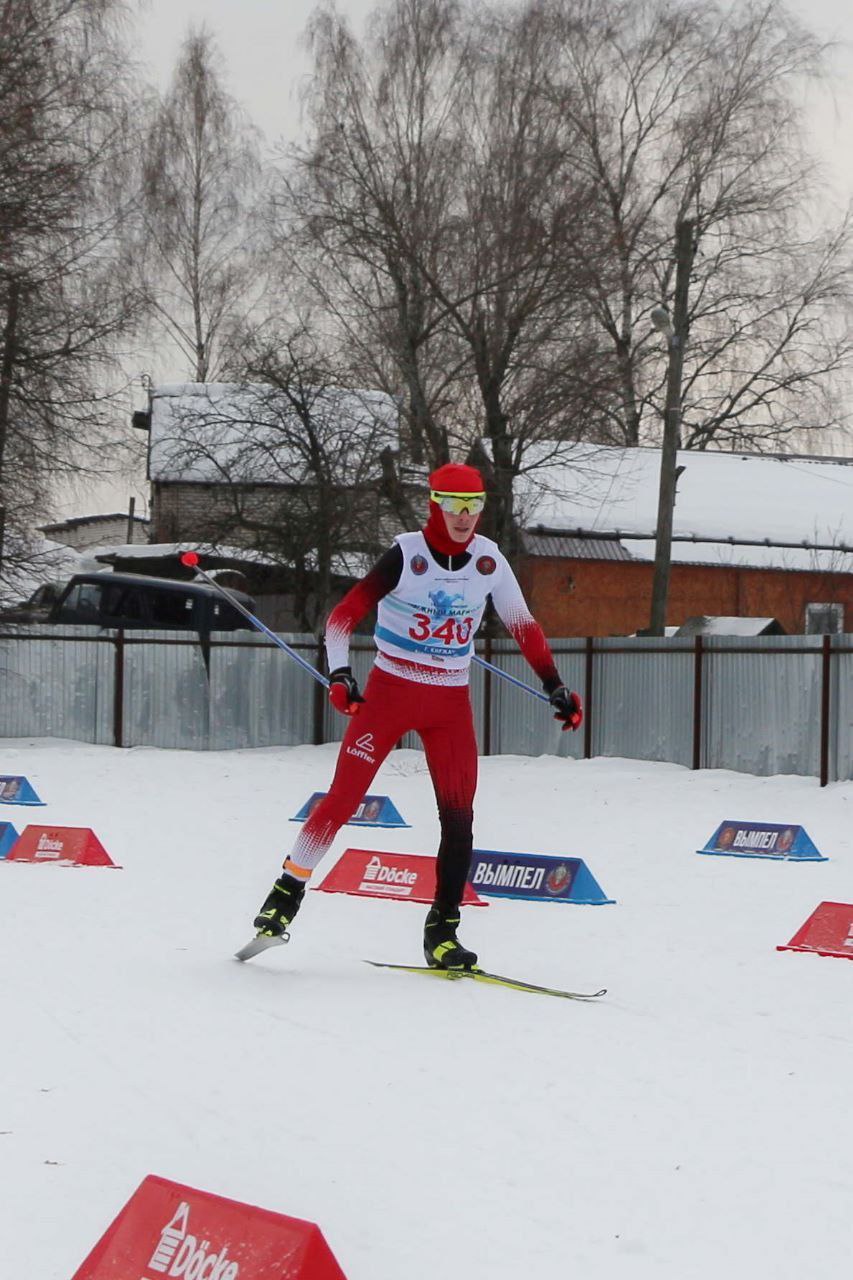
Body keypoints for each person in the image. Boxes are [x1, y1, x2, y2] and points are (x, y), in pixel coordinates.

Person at [253, 462, 583, 969]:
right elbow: (341, 619)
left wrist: (554, 683)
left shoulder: (489, 561)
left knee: (459, 817)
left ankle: (443, 932)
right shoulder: (407, 555)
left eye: (474, 506)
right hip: (389, 694)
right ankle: (284, 897)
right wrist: (340, 675)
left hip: (450, 704)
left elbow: (524, 625)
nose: (464, 516)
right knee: (343, 799)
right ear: (434, 503)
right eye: (453, 504)